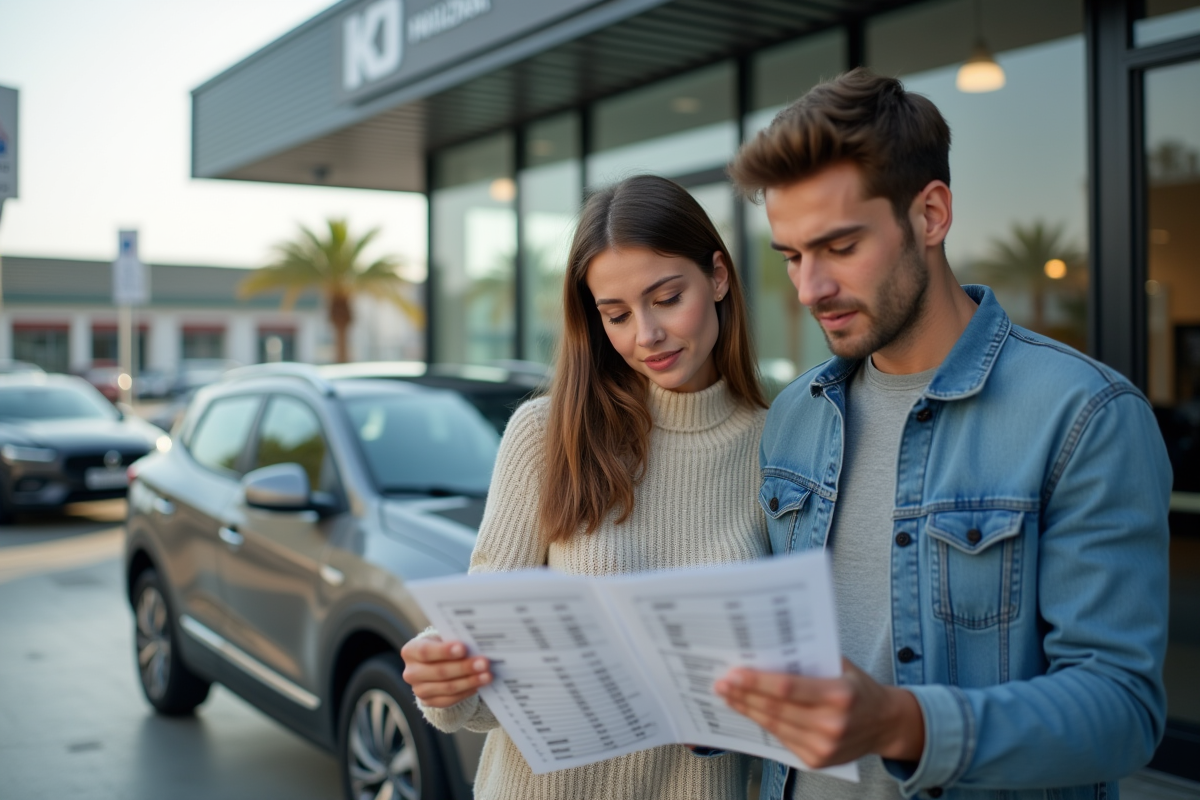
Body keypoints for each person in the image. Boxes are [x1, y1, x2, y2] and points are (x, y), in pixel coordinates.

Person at [713, 68, 1172, 800]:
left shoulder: (1085, 414)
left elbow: (1121, 710)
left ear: (930, 215)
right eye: (792, 256)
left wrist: (903, 724)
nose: (809, 290)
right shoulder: (795, 414)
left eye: (839, 247)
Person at [401, 174, 770, 800]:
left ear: (717, 276)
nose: (645, 334)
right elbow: (487, 649)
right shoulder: (546, 434)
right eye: (616, 315)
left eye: (667, 297)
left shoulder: (779, 448)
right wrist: (447, 677)